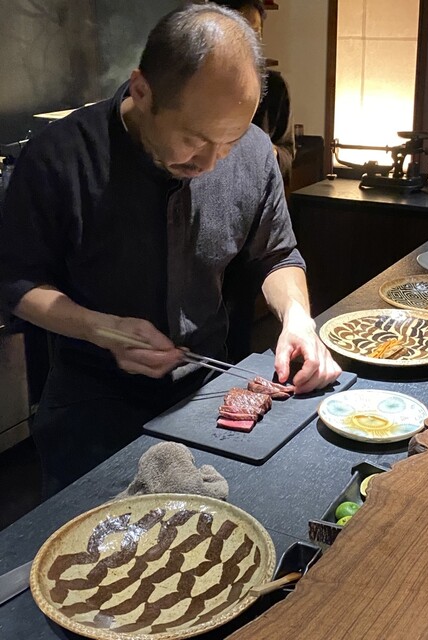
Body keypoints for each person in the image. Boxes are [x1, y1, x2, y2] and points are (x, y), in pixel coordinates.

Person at [0, 4, 340, 497]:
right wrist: (100, 328)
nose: (211, 162)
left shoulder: (251, 153)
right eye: (193, 139)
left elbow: (276, 255)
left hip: (210, 396)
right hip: (93, 408)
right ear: (142, 91)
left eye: (228, 141)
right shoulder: (60, 156)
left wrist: (297, 318)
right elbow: (17, 282)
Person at [212, 0, 295, 178]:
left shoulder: (275, 86)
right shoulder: (200, 83)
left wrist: (271, 153)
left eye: (256, 32)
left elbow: (287, 152)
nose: (250, 42)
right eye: (240, 32)